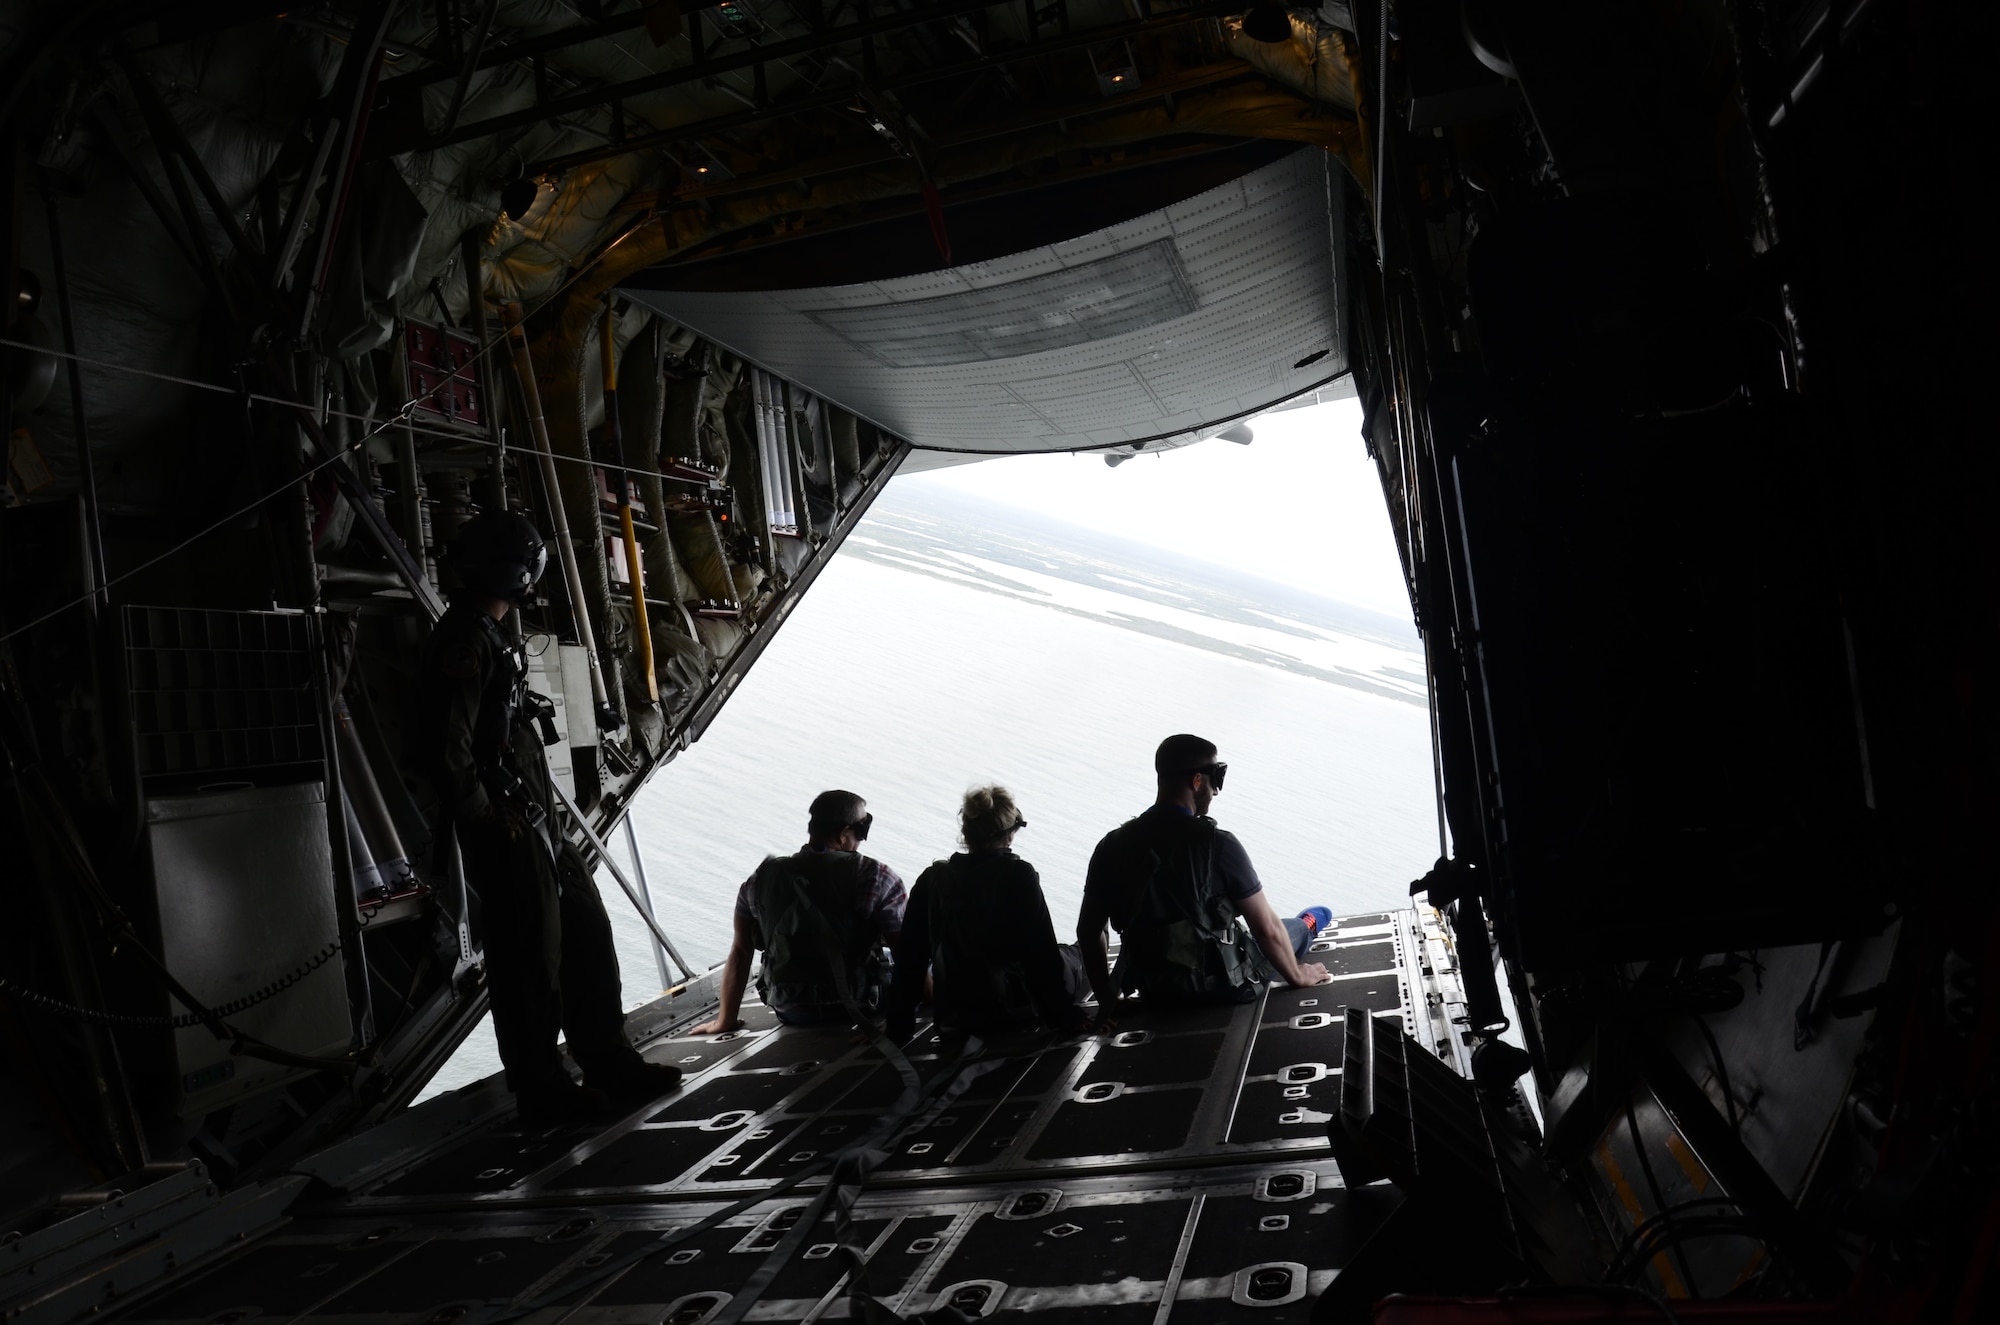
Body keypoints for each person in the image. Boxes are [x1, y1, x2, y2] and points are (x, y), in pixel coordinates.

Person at [412, 511, 682, 1125]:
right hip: (507, 827)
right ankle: (542, 1089)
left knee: (586, 934)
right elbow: (445, 751)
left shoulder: (490, 632)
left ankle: (607, 1058)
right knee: (530, 961)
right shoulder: (465, 641)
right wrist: (487, 817)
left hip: (535, 820)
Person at [1077, 734, 1333, 1010]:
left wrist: (1106, 1001)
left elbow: (1089, 932)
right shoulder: (1218, 844)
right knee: (1291, 928)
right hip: (1219, 986)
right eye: (1215, 778)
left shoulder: (1111, 846)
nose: (1215, 791)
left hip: (1154, 989)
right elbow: (1266, 929)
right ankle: (1310, 923)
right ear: (1197, 781)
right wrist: (1297, 975)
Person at [885, 786, 1091, 1044]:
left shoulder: (932, 880)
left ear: (966, 831)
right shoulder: (1019, 875)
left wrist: (896, 1028)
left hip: (957, 1012)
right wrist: (1066, 1017)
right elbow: (1041, 956)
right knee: (1077, 953)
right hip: (1012, 1007)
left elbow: (910, 961)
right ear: (1009, 834)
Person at [692, 790, 907, 1032]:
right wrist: (930, 998)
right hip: (860, 1004)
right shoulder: (877, 876)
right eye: (861, 831)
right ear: (843, 834)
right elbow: (907, 954)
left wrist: (725, 1021)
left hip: (790, 1009)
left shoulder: (761, 879)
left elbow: (741, 952)